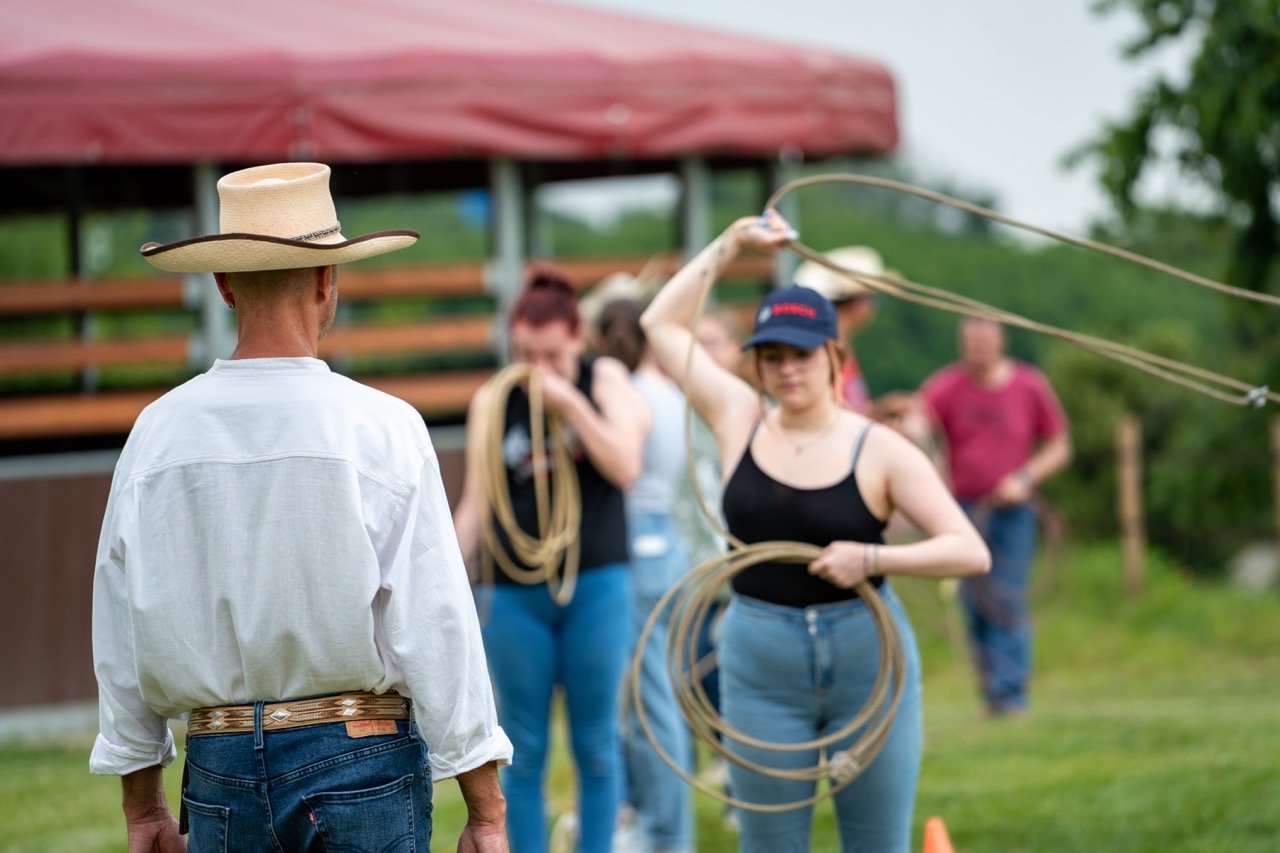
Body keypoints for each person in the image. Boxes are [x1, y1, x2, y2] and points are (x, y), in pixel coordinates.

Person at [89, 161, 511, 853]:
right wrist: (486, 806)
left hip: (218, 766)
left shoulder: (157, 433)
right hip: (362, 755)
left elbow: (120, 626)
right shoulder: (381, 426)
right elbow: (436, 619)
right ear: (327, 281)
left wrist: (142, 804)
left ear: (223, 284)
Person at [640, 210, 990, 852]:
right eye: (770, 355)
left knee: (876, 842)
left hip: (868, 658)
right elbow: (658, 324)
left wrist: (873, 557)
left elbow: (970, 550)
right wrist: (732, 243)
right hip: (760, 660)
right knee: (769, 844)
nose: (786, 369)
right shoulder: (738, 418)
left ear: (834, 354)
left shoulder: (878, 449)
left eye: (800, 354)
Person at [452, 266, 647, 853]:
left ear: (578, 339)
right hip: (515, 594)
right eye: (524, 354)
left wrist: (571, 404)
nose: (537, 369)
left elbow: (625, 466)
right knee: (523, 748)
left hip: (597, 586)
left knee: (596, 743)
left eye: (552, 355)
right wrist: (440, 585)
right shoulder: (494, 399)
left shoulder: (603, 379)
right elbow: (476, 507)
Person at [920, 316, 1072, 716]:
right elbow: (919, 425)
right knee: (975, 601)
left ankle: (1010, 693)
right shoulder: (947, 386)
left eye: (985, 341)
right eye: (970, 342)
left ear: (1001, 341)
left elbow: (1059, 445)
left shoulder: (1029, 385)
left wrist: (1024, 477)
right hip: (963, 511)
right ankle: (991, 687)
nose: (977, 350)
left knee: (1006, 598)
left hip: (1015, 510)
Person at [590, 294, 694, 853]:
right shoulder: (669, 391)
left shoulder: (629, 393)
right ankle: (658, 824)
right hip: (666, 539)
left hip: (635, 542)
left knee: (648, 702)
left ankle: (666, 832)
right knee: (656, 696)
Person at [791, 245, 883, 415]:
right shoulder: (827, 350)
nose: (873, 307)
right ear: (856, 302)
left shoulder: (839, 345)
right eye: (872, 298)